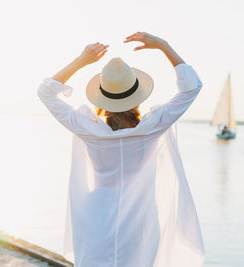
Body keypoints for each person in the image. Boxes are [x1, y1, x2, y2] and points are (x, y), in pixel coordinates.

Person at [37, 32, 204, 267]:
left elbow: (45, 92)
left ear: (102, 98)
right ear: (137, 96)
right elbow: (192, 87)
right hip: (141, 218)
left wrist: (81, 60)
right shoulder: (153, 126)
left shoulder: (88, 128)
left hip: (96, 217)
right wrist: (164, 46)